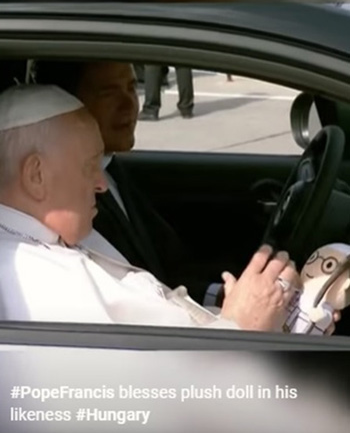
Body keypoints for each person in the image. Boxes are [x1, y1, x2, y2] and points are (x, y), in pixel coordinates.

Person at [0, 83, 299, 331]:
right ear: (36, 175)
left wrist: (236, 306)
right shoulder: (35, 280)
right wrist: (242, 324)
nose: (101, 184)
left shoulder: (56, 236)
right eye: (90, 166)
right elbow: (160, 389)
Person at [35, 60, 188, 294]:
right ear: (67, 104)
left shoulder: (111, 166)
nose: (129, 104)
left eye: (131, 88)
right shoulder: (60, 202)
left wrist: (216, 293)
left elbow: (162, 268)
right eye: (109, 93)